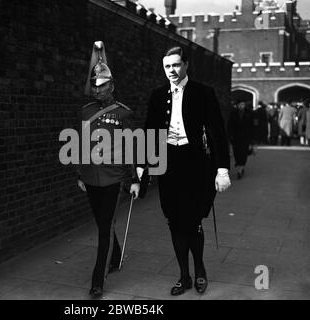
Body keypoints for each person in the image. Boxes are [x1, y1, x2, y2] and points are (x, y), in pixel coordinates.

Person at [136, 46, 231, 296]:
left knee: (193, 221)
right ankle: (184, 276)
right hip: (169, 166)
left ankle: (199, 269)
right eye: (167, 66)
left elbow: (218, 132)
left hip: (196, 165)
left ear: (186, 65)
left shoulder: (203, 93)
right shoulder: (158, 95)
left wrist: (222, 169)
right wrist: (140, 166)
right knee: (175, 222)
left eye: (176, 65)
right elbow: (149, 131)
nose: (172, 71)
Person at [76, 41, 140, 299]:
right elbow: (80, 145)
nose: (97, 89)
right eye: (94, 85)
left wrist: (134, 179)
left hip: (113, 178)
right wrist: (79, 174)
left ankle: (97, 280)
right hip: (91, 177)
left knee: (103, 228)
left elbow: (132, 148)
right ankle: (116, 255)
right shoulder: (85, 111)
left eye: (102, 85)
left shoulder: (123, 114)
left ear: (111, 86)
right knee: (103, 222)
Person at [227, 101, 253, 179]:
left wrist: (253, 139)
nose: (242, 106)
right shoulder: (233, 114)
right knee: (237, 152)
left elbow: (252, 126)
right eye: (240, 105)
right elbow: (229, 125)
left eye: (243, 104)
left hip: (246, 136)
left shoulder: (249, 113)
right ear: (237, 106)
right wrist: (230, 135)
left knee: (244, 152)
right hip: (236, 137)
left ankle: (240, 169)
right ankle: (239, 165)